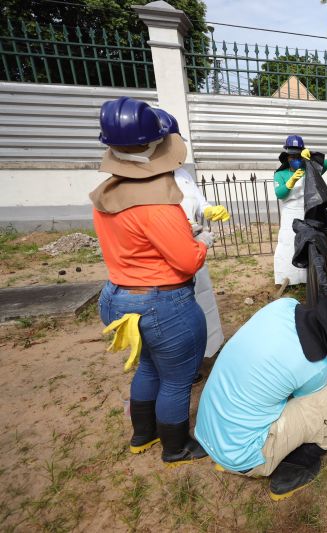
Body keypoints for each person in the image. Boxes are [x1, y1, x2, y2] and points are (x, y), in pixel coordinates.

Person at [92, 96, 211, 465]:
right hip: (162, 303)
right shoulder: (158, 204)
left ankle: (142, 435)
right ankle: (176, 447)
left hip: (118, 294)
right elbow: (187, 260)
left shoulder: (106, 195)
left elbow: (132, 242)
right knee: (176, 378)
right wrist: (203, 240)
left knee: (148, 366)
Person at [194, 297, 327, 500]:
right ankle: (295, 466)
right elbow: (307, 401)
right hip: (243, 455)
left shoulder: (284, 305)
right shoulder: (314, 368)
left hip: (209, 428)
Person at [153, 108, 228, 361]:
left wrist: (210, 210)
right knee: (179, 310)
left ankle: (211, 348)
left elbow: (200, 202)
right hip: (168, 252)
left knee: (203, 296)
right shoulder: (148, 182)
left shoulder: (183, 175)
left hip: (195, 244)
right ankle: (185, 361)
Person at [272, 135, 327, 285]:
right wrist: (291, 181)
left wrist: (310, 157)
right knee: (289, 243)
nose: (295, 158)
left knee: (307, 243)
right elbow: (279, 193)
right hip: (289, 213)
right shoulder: (280, 174)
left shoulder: (308, 169)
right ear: (287, 156)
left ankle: (307, 278)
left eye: (298, 155)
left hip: (306, 212)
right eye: (292, 156)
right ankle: (288, 278)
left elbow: (326, 165)